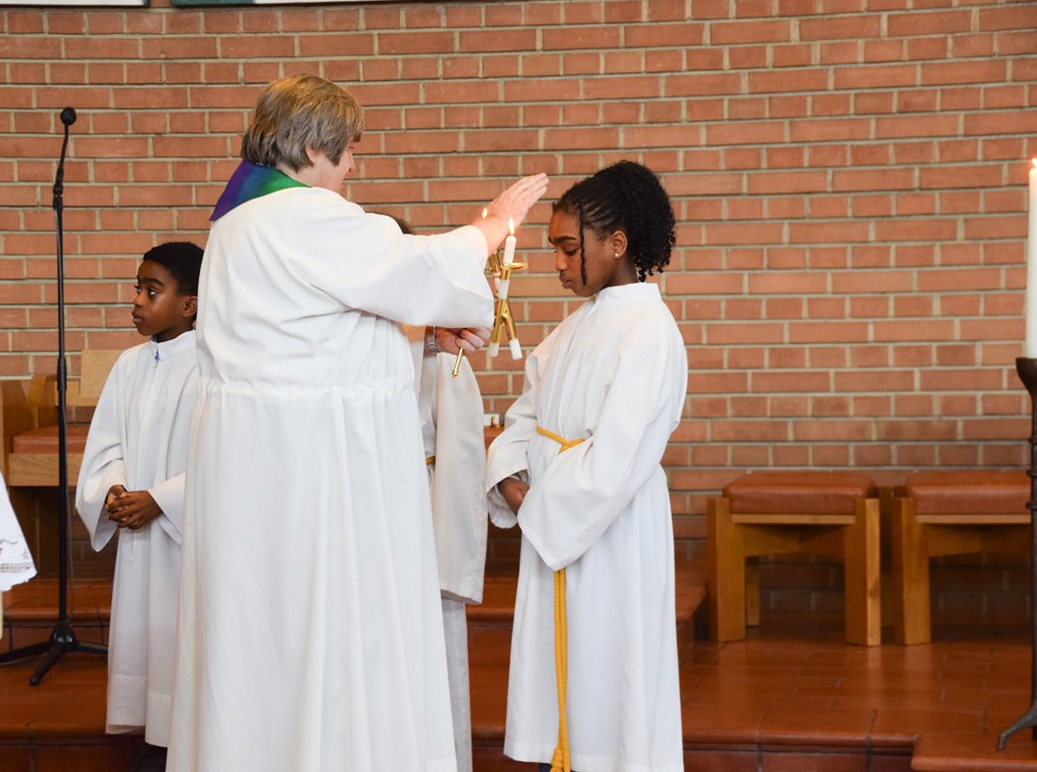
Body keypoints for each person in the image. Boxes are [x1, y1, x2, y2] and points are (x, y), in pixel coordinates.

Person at [167, 73, 547, 772]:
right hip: (314, 476)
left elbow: (316, 341)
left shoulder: (237, 224)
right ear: (315, 147)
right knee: (332, 631)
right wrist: (492, 223)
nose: (353, 164)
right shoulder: (305, 217)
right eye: (349, 149)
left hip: (256, 472)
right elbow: (419, 267)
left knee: (266, 643)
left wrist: (421, 337)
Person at [485, 161, 687, 772]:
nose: (557, 264)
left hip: (610, 532)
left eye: (569, 249)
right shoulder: (575, 327)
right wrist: (507, 471)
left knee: (610, 679)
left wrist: (533, 501)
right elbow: (526, 415)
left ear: (616, 243)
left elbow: (617, 458)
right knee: (561, 694)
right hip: (557, 524)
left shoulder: (648, 331)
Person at [74, 241, 204, 772]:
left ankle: (191, 744)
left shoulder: (214, 363)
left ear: (190, 305)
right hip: (139, 528)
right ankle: (157, 741)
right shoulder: (129, 366)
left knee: (184, 636)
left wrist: (162, 500)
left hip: (185, 534)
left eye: (152, 291)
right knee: (147, 640)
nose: (136, 301)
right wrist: (114, 490)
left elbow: (227, 455)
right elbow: (106, 445)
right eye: (137, 289)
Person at [395, 217, 490, 772]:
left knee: (425, 654)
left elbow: (460, 448)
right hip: (357, 521)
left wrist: (451, 550)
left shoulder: (437, 346)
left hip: (419, 522)